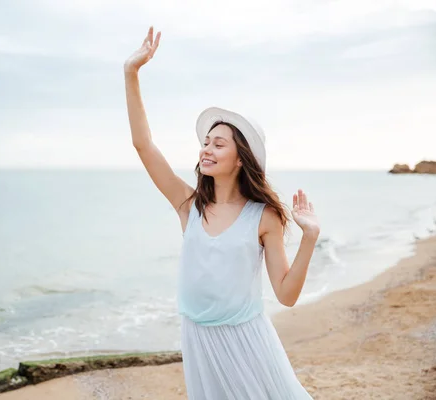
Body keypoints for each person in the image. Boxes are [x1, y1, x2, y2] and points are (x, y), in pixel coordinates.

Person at [124, 26, 318, 399]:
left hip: (247, 342)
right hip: (197, 339)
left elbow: (287, 295)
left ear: (240, 158)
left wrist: (309, 237)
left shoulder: (263, 217)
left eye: (218, 143)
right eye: (204, 143)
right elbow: (143, 145)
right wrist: (131, 74)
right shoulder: (189, 204)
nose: (206, 150)